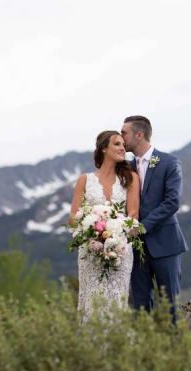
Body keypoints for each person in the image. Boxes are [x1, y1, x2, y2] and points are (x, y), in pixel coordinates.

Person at [121, 115, 188, 323]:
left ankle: (175, 344)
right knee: (140, 308)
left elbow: (172, 202)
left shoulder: (169, 162)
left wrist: (142, 227)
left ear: (139, 135)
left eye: (124, 133)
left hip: (165, 245)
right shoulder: (126, 168)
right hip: (135, 249)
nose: (121, 138)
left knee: (171, 306)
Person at [69, 131, 140, 323]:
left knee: (116, 302)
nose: (123, 148)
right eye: (117, 144)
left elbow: (133, 215)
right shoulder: (85, 180)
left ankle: (116, 340)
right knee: (91, 302)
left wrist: (114, 232)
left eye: (123, 145)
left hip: (120, 250)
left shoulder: (130, 178)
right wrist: (93, 228)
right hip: (90, 252)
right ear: (103, 148)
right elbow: (73, 219)